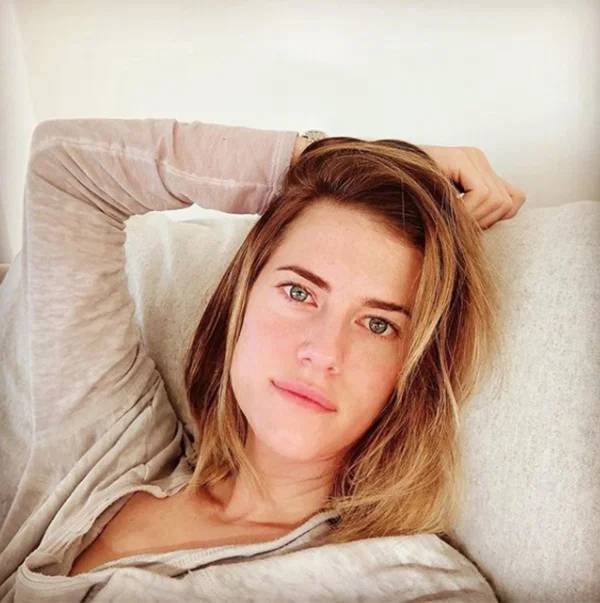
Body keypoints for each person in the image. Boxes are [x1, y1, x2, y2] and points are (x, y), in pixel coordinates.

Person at [0, 117, 525, 601]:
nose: (323, 352)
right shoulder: (106, 443)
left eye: (378, 324)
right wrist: (323, 158)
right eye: (300, 293)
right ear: (241, 297)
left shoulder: (407, 583)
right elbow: (65, 167)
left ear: (416, 368)